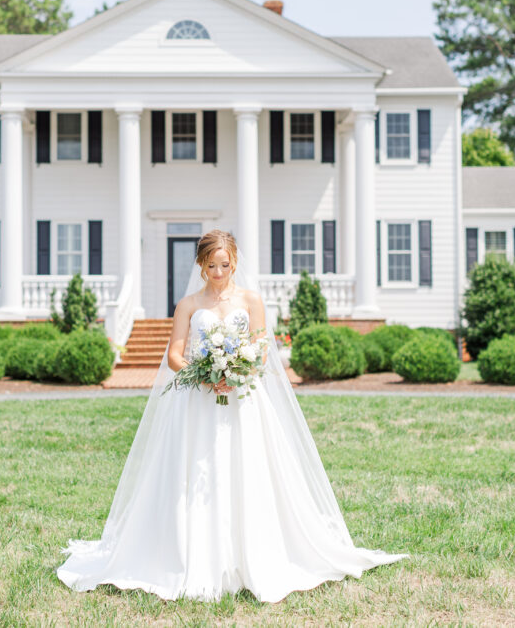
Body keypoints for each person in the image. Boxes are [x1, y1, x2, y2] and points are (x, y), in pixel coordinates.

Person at [56, 229, 407, 602]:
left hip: (244, 402)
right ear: (201, 265)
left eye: (225, 264)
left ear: (235, 262)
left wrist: (238, 373)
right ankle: (190, 554)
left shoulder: (252, 300)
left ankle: (251, 553)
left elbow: (261, 348)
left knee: (247, 469)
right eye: (212, 265)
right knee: (197, 471)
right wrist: (204, 375)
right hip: (197, 403)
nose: (219, 272)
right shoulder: (188, 305)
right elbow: (175, 354)